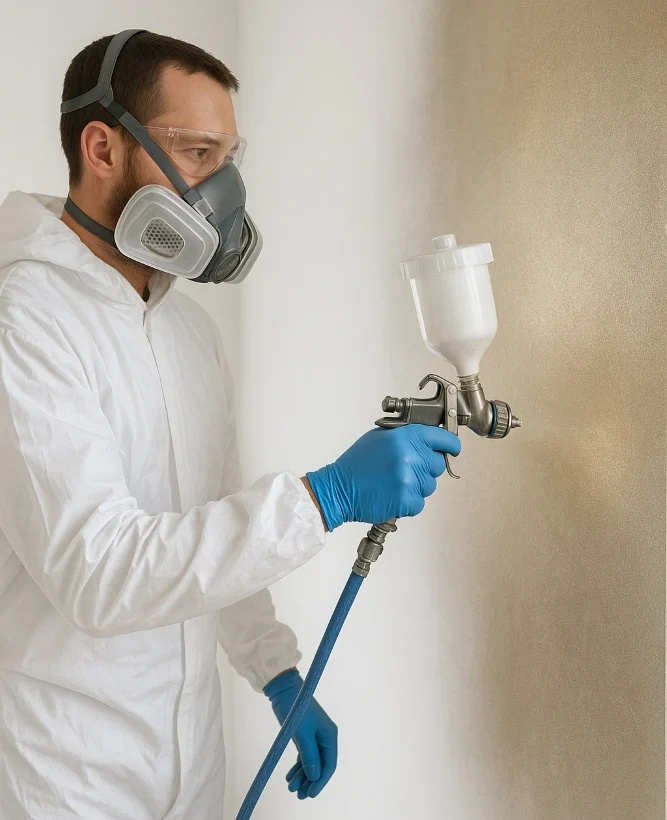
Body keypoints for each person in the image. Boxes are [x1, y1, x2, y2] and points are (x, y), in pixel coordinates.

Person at [0, 30, 461, 820]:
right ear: (103, 147)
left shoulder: (186, 332)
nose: (222, 189)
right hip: (63, 775)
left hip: (189, 765)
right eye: (197, 153)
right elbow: (101, 573)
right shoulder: (25, 319)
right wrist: (326, 497)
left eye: (228, 157)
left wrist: (277, 673)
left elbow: (207, 523)